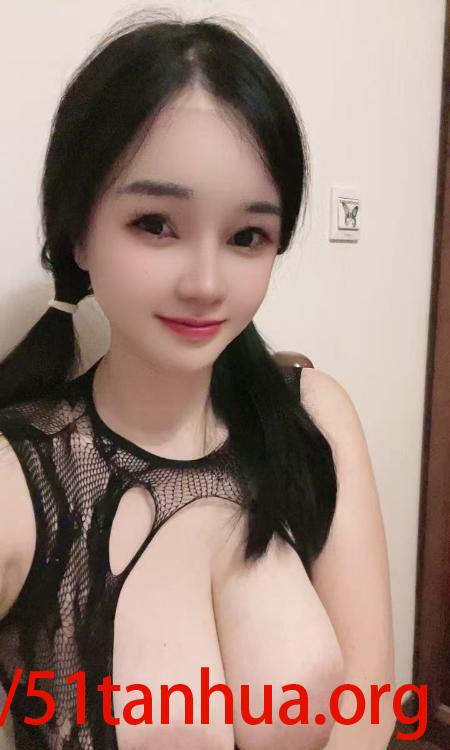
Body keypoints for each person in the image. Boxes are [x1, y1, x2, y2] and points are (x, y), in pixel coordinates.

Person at [0, 10, 396, 750]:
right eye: (156, 223)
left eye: (248, 236)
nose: (207, 284)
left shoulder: (313, 421)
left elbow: (369, 712)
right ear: (78, 232)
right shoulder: (21, 480)